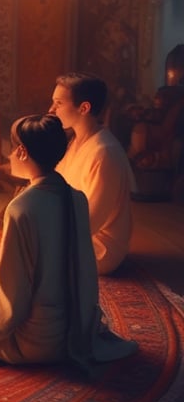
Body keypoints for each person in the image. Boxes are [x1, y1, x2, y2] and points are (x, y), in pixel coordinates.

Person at [0, 114, 137, 371]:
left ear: (22, 152)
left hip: (34, 339)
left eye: (12, 149)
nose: (10, 155)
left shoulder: (21, 208)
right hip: (75, 327)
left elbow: (10, 306)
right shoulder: (76, 198)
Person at [50, 72, 135, 275]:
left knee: (26, 253)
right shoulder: (75, 142)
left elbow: (89, 222)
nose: (51, 110)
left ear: (84, 107)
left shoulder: (104, 152)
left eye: (58, 103)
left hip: (98, 247)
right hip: (73, 231)